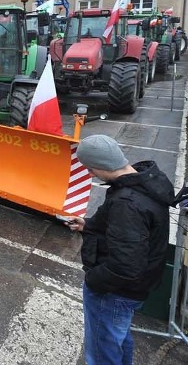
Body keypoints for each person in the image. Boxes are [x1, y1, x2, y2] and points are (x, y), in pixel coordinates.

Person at [65, 135, 174, 365]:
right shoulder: (147, 181)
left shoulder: (127, 203)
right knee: (118, 337)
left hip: (114, 293)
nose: (91, 175)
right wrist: (89, 225)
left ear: (101, 166)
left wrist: (93, 281)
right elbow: (132, 232)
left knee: (101, 350)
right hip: (135, 288)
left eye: (91, 169)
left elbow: (125, 266)